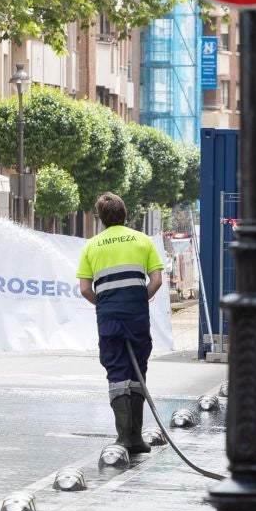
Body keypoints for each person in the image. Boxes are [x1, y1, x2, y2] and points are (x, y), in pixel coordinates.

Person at [76, 192, 163, 455]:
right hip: (137, 317)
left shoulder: (92, 246)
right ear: (125, 213)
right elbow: (156, 280)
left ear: (101, 218)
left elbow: (84, 289)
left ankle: (124, 438)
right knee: (138, 373)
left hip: (109, 318)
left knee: (117, 373)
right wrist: (138, 300)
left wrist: (104, 306)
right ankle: (136, 438)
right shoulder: (143, 240)